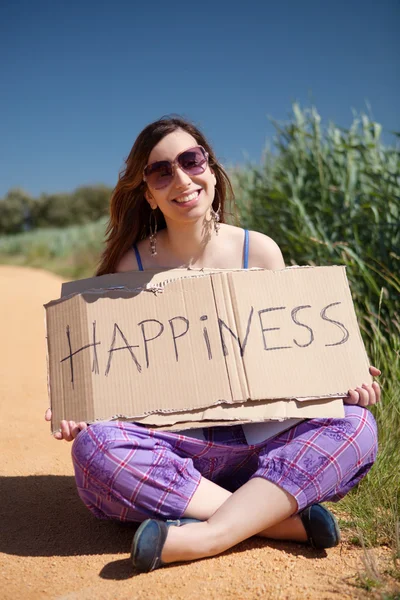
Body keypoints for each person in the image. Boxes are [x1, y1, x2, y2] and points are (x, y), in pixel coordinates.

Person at [45, 116, 380, 573]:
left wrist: (338, 375)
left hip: (265, 439)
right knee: (96, 448)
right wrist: (79, 401)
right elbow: (110, 370)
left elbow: (288, 357)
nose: (181, 178)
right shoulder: (131, 265)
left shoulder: (259, 251)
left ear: (210, 167)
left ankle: (207, 534)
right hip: (179, 447)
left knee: (357, 424)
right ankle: (277, 521)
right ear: (147, 192)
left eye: (191, 160)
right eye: (161, 171)